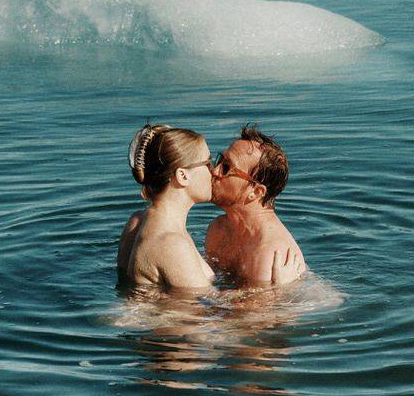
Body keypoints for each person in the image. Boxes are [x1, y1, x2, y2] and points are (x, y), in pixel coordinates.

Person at [116, 123, 216, 294]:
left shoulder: (137, 221)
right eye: (207, 164)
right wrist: (275, 295)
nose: (214, 172)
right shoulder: (171, 244)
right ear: (183, 176)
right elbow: (209, 310)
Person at [204, 125, 306, 288]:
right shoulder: (218, 228)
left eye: (226, 168)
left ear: (256, 191)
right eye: (219, 160)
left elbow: (250, 313)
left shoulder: (270, 255)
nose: (214, 171)